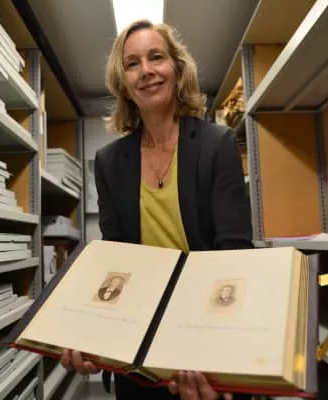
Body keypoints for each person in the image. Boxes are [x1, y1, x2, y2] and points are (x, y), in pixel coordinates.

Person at [60, 18, 254, 400]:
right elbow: (117, 260)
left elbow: (234, 254)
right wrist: (91, 333)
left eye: (156, 57)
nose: (146, 70)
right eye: (132, 64)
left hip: (205, 345)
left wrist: (215, 346)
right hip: (139, 356)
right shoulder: (110, 162)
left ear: (177, 69)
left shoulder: (217, 145)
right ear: (123, 83)